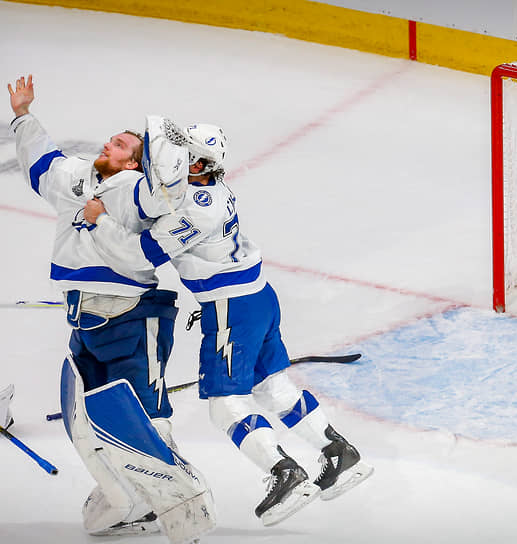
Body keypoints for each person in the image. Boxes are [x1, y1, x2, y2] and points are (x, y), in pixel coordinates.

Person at [82, 123, 373, 527]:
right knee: (272, 387)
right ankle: (339, 453)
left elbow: (139, 256)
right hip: (258, 298)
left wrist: (99, 221)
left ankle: (284, 473)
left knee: (225, 405)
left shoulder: (196, 208)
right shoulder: (209, 189)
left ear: (199, 163)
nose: (175, 159)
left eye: (185, 154)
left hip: (231, 309)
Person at [7, 75, 215, 541]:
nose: (108, 143)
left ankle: (181, 502)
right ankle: (129, 494)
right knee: (94, 415)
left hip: (131, 317)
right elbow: (42, 162)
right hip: (84, 317)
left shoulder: (141, 194)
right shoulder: (79, 177)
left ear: (137, 162)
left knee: (146, 413)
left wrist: (102, 216)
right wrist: (23, 114)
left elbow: (148, 240)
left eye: (120, 143)